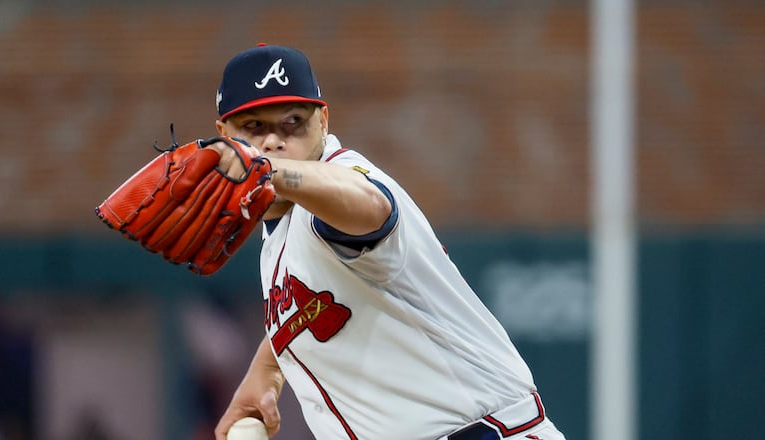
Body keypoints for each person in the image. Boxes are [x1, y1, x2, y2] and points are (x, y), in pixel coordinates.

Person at [208, 43, 567, 440]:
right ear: (225, 135)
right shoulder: (281, 223)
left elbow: (368, 203)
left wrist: (270, 170)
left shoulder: (340, 180)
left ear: (323, 122)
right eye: (254, 127)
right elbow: (320, 301)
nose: (273, 141)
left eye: (293, 121)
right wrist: (267, 372)